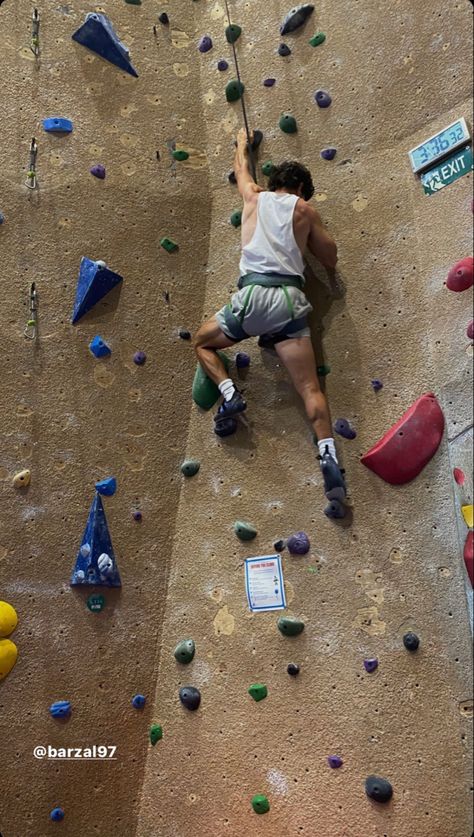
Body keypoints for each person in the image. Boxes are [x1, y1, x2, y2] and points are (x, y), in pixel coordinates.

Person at [193, 128, 346, 510]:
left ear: (274, 183)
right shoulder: (304, 209)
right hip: (290, 303)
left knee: (201, 341)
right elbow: (330, 257)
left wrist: (243, 143)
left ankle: (229, 396)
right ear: (299, 188)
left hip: (253, 296)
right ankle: (328, 455)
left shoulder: (252, 196)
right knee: (310, 388)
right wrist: (309, 234)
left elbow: (241, 168)